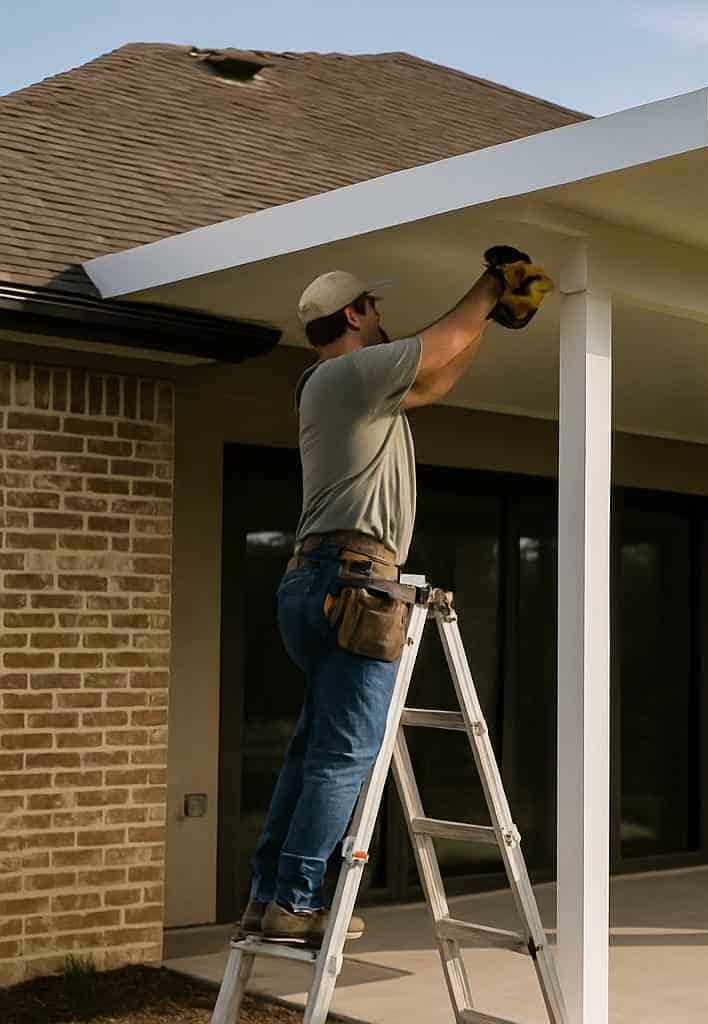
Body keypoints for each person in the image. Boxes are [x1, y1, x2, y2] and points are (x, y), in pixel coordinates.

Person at [239, 252, 548, 945]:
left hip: (319, 581)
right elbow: (434, 347)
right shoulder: (348, 375)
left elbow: (435, 379)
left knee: (311, 752)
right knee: (346, 753)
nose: (383, 317)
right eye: (374, 308)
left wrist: (491, 319)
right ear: (353, 315)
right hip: (355, 583)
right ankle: (295, 901)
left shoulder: (348, 389)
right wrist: (490, 283)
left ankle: (268, 897)